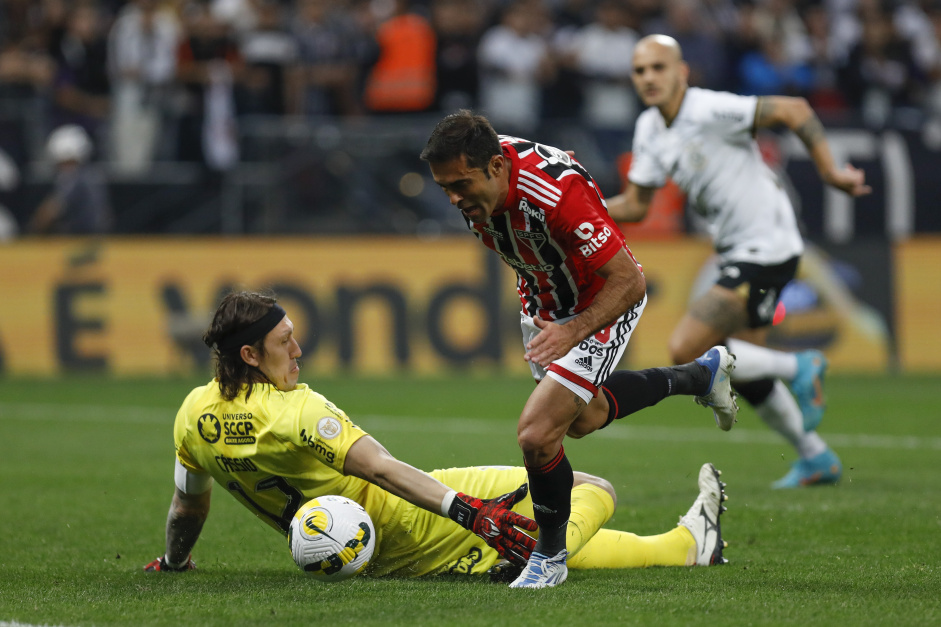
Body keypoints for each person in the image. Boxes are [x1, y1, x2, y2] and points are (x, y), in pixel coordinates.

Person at [143, 291, 731, 583]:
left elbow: (187, 502)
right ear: (250, 354)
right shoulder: (295, 410)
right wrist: (471, 514)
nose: (297, 350)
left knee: (539, 528)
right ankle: (538, 559)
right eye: (284, 342)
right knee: (586, 488)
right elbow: (381, 468)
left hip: (354, 548)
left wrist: (174, 561)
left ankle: (686, 546)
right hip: (401, 519)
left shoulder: (193, 414)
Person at [420, 110, 737, 588]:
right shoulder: (483, 163)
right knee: (583, 420)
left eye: (460, 184)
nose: (454, 198)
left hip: (601, 302)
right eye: (445, 187)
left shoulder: (555, 197)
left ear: (495, 168)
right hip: (543, 300)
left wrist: (574, 331)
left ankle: (548, 559)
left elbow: (629, 281)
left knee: (537, 434)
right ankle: (697, 376)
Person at [606, 34, 872, 489]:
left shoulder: (707, 109)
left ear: (682, 71)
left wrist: (830, 172)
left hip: (768, 243)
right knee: (742, 367)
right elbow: (635, 205)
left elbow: (795, 110)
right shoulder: (650, 127)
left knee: (686, 349)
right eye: (640, 70)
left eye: (658, 67)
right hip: (738, 248)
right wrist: (574, 209)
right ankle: (816, 458)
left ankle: (802, 365)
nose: (649, 77)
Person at [28, 124, 112, 235]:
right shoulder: (93, 174)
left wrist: (32, 229)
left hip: (83, 237)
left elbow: (52, 210)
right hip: (98, 236)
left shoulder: (74, 176)